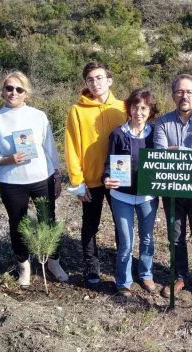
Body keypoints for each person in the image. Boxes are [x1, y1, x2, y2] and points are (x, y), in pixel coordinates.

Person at [0, 71, 68, 286]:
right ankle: (24, 266)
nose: (13, 92)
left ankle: (53, 263)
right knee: (18, 224)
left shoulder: (38, 116)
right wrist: (9, 159)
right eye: (9, 88)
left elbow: (49, 147)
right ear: (2, 91)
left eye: (19, 89)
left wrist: (56, 173)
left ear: (26, 93)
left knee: (48, 221)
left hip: (41, 179)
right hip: (12, 183)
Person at [153, 74, 192, 302]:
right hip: (172, 191)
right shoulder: (161, 123)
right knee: (176, 237)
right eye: (180, 91)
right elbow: (162, 157)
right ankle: (179, 276)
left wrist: (177, 151)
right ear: (173, 95)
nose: (185, 96)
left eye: (190, 92)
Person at [65, 62, 127, 288]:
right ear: (86, 83)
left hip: (119, 179)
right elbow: (71, 147)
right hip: (91, 181)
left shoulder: (123, 107)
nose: (95, 83)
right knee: (90, 225)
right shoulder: (77, 111)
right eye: (90, 79)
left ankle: (124, 266)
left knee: (123, 224)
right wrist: (77, 182)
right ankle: (91, 267)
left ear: (109, 80)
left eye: (99, 78)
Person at [103, 89, 159, 297]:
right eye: (135, 107)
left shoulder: (155, 134)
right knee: (126, 241)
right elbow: (109, 164)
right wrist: (106, 178)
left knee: (147, 238)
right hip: (121, 197)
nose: (139, 112)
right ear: (129, 109)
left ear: (150, 111)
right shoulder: (118, 134)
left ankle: (146, 274)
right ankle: (123, 280)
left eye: (144, 108)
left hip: (147, 197)